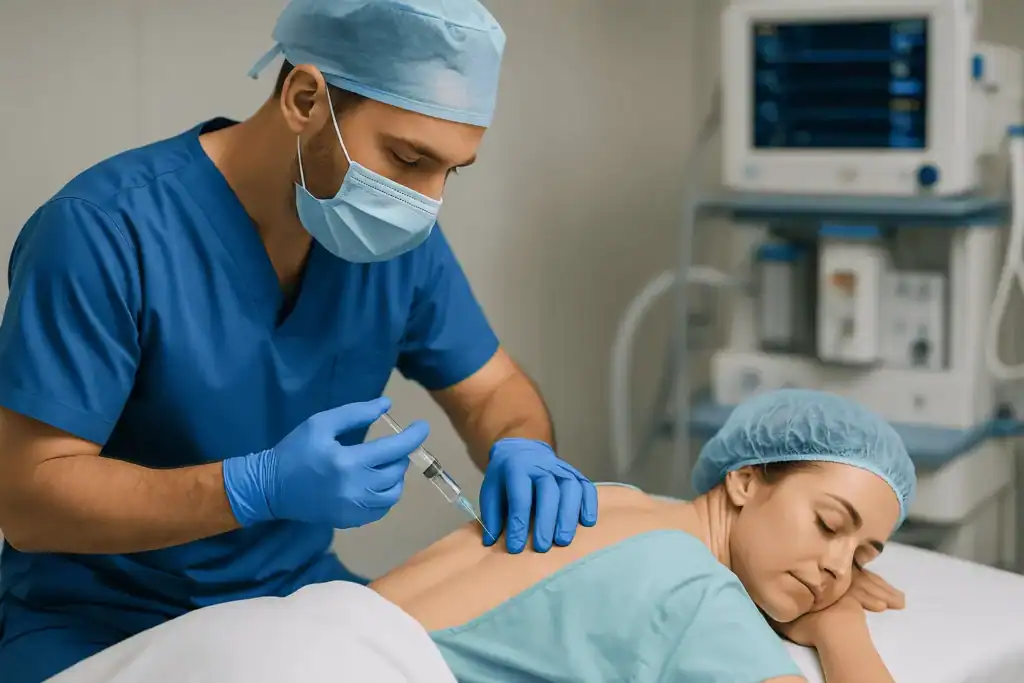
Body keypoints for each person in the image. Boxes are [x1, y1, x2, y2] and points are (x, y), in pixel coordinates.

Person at [0, 1, 597, 681]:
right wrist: (254, 487)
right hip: (99, 626)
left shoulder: (395, 246)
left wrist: (521, 445)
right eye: (407, 158)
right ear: (305, 98)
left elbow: (493, 388)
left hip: (297, 605)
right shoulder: (104, 232)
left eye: (450, 172)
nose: (427, 201)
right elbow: (29, 500)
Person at [368, 389, 915, 682]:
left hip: (302, 632)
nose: (839, 570)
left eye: (862, 557)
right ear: (745, 479)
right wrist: (840, 627)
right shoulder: (692, 591)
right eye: (829, 525)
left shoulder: (613, 498)